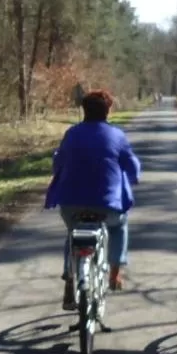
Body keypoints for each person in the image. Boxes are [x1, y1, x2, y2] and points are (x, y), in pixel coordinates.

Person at [45, 89, 142, 307]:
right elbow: (132, 165)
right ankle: (115, 274)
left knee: (73, 234)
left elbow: (58, 163)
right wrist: (134, 177)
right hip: (107, 206)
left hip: (71, 203)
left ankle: (70, 281)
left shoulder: (71, 134)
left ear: (84, 110)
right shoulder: (116, 135)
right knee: (119, 226)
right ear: (108, 111)